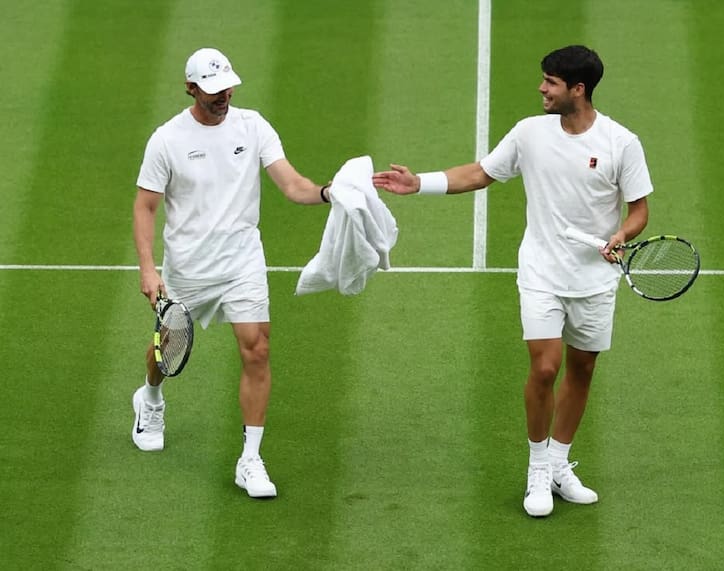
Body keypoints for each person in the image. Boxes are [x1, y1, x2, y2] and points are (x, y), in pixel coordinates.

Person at [372, 45, 653, 517]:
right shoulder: (529, 134)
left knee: (582, 370)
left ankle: (561, 464)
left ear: (577, 90)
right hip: (541, 271)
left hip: (595, 278)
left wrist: (621, 234)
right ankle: (538, 467)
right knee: (545, 368)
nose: (541, 89)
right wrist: (420, 182)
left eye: (551, 82)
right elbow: (481, 173)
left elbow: (639, 209)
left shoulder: (621, 143)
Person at [132, 47, 333, 499]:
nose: (222, 95)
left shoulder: (253, 126)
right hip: (188, 267)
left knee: (257, 349)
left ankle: (250, 459)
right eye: (211, 90)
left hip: (242, 263)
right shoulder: (166, 139)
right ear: (190, 89)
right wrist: (148, 269)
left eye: (226, 87)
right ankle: (150, 398)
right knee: (168, 349)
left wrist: (327, 192)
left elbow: (292, 184)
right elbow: (146, 207)